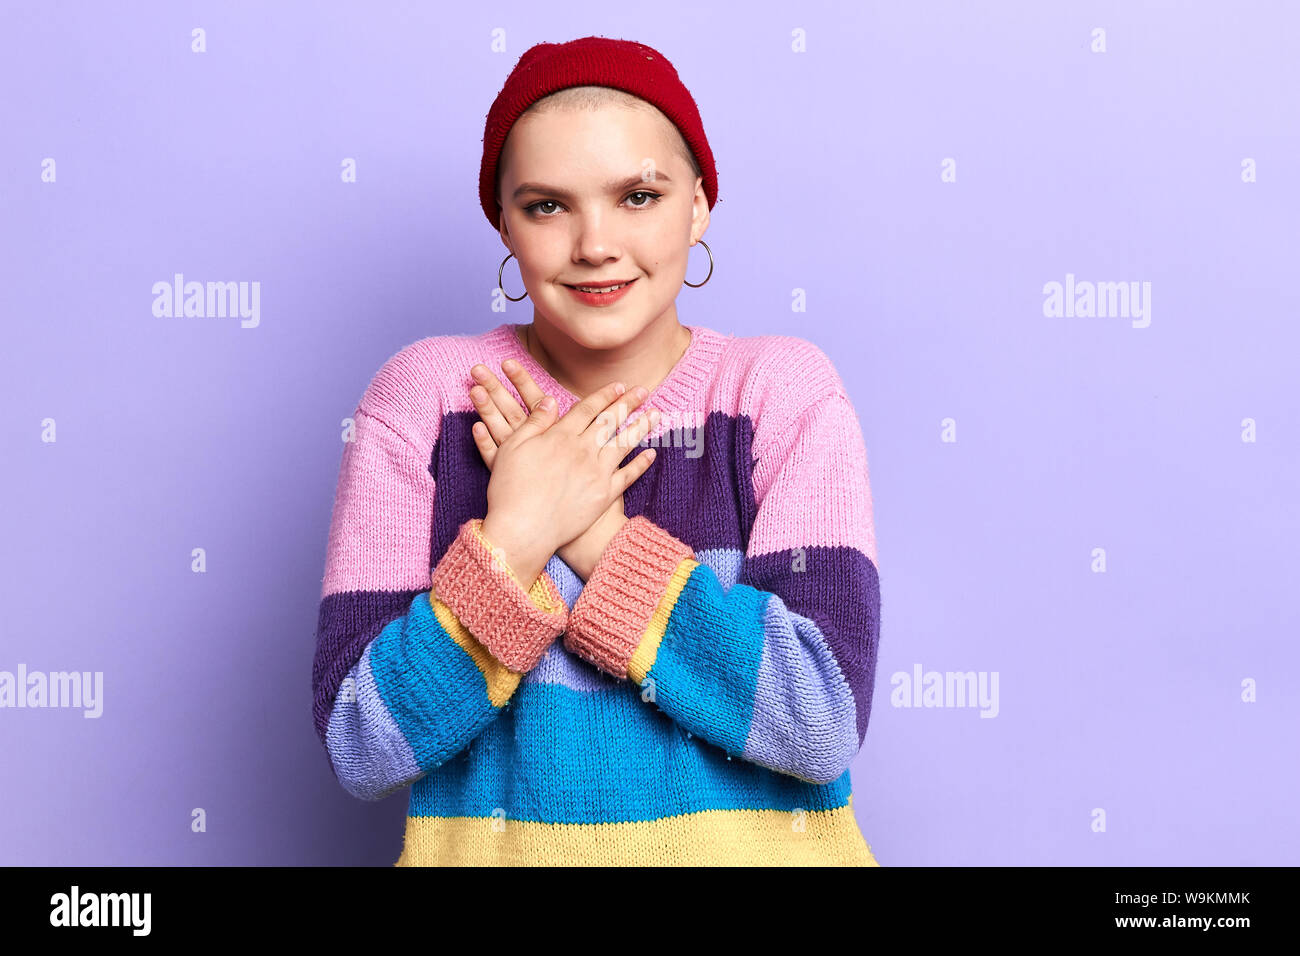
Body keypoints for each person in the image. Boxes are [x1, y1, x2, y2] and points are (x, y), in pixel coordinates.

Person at [311, 35, 883, 866]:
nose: (594, 244)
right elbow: (362, 745)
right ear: (503, 219)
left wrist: (595, 540)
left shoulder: (782, 395)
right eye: (547, 205)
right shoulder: (425, 399)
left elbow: (820, 718)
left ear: (698, 204)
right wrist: (512, 541)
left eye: (638, 197)